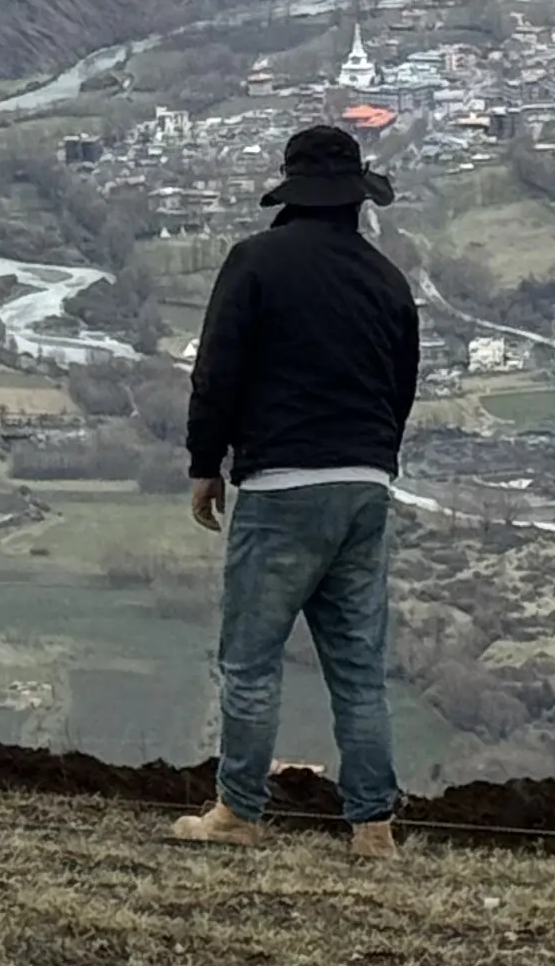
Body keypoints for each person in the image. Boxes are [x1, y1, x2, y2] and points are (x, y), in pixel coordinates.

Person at [171, 122, 422, 859]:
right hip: (365, 486)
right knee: (357, 668)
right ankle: (373, 828)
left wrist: (204, 462)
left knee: (251, 660)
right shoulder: (387, 281)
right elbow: (400, 390)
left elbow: (218, 370)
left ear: (291, 192)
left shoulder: (255, 263)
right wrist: (374, 462)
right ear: (354, 200)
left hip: (282, 485)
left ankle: (239, 812)